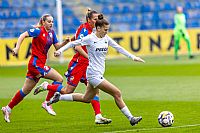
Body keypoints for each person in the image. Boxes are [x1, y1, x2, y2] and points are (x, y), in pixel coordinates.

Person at [37, 14, 145, 126]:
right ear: (98, 28)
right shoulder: (90, 38)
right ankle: (131, 118)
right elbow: (73, 43)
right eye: (105, 30)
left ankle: (60, 97)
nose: (106, 32)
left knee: (86, 98)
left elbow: (119, 48)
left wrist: (133, 57)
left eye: (108, 30)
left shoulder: (106, 38)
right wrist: (60, 51)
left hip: (96, 73)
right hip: (93, 75)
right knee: (117, 93)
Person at [34, 9, 112, 124]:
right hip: (79, 64)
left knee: (95, 91)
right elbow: (78, 47)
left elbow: (77, 40)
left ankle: (98, 116)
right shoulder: (85, 29)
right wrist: (89, 57)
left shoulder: (93, 30)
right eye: (95, 19)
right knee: (67, 91)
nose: (97, 21)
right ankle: (46, 86)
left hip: (89, 66)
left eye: (98, 19)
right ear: (89, 20)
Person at [1, 14, 67, 123]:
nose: (51, 23)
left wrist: (65, 42)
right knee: (59, 79)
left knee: (25, 91)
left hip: (39, 64)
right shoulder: (38, 31)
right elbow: (23, 35)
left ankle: (7, 108)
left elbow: (57, 46)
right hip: (36, 64)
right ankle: (46, 102)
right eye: (49, 21)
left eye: (52, 21)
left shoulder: (52, 33)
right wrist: (17, 48)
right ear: (44, 22)